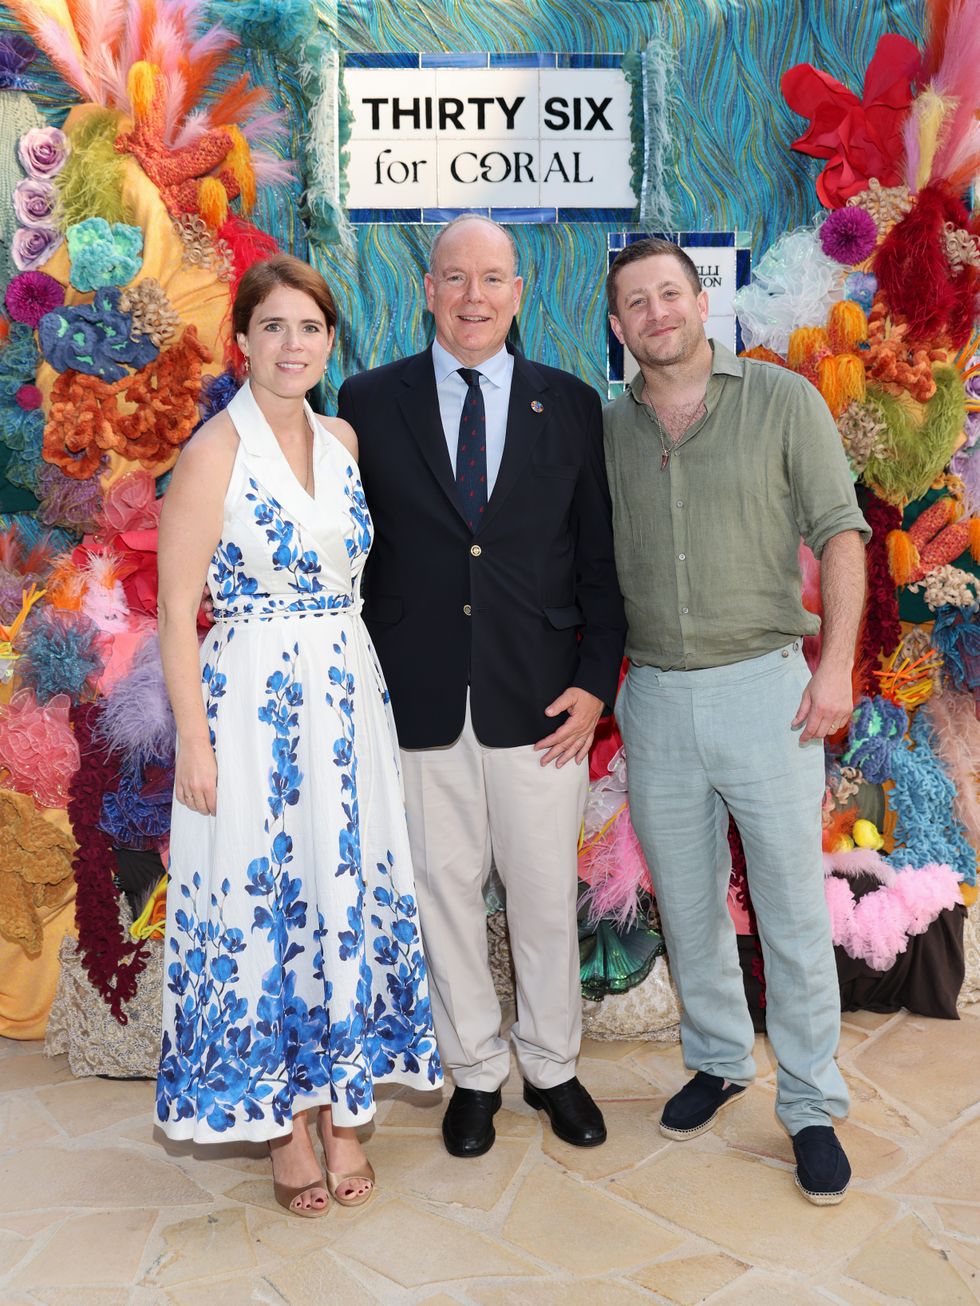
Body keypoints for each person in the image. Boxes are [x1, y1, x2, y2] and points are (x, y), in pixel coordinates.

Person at [155, 254, 442, 1218]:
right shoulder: (213, 452)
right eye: (272, 326)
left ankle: (345, 1114)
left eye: (310, 328)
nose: (292, 344)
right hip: (250, 708)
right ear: (241, 339)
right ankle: (283, 1127)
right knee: (265, 904)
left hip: (346, 700)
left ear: (330, 343)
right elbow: (175, 612)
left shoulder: (343, 438)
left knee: (340, 893)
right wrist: (195, 744)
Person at [337, 215, 625, 1158]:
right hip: (417, 700)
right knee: (442, 894)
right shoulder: (366, 401)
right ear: (428, 290)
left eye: (492, 278)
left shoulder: (571, 404)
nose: (474, 296)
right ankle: (473, 1072)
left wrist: (595, 685)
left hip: (543, 703)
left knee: (542, 897)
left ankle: (552, 1066)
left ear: (518, 292)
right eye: (455, 277)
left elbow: (599, 564)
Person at [603, 237, 870, 1206]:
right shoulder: (607, 430)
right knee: (686, 903)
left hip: (767, 692)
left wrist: (833, 665)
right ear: (618, 325)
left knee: (791, 908)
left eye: (669, 293)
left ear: (699, 299)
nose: (656, 313)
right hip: (655, 699)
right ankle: (718, 1059)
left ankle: (810, 1101)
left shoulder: (781, 400)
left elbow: (842, 533)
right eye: (636, 302)